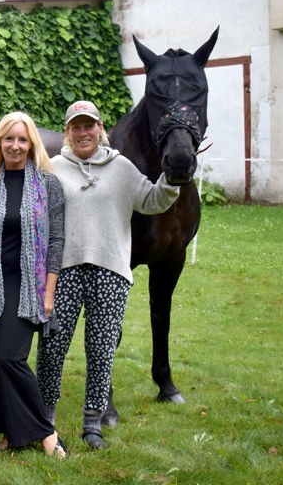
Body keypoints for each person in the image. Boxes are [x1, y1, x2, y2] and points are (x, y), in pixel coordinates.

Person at [35, 100, 181, 449]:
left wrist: (174, 176)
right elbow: (31, 209)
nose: (83, 132)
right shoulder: (53, 168)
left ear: (101, 129)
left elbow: (152, 200)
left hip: (111, 272)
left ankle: (93, 424)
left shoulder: (122, 168)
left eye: (89, 126)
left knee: (101, 351)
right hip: (64, 272)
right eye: (76, 127)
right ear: (67, 132)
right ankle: (46, 421)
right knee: (51, 348)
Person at [0, 112, 67, 459]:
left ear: (31, 145)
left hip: (28, 286)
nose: (15, 145)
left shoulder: (48, 184)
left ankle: (46, 433)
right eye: (8, 139)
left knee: (11, 357)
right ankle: (13, 433)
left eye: (22, 139)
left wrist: (49, 292)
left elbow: (56, 240)